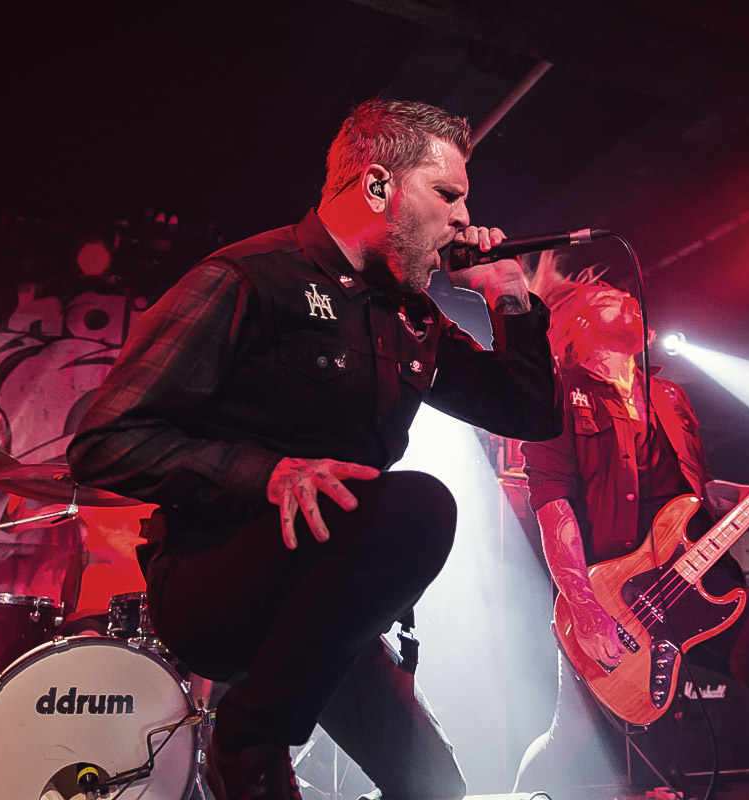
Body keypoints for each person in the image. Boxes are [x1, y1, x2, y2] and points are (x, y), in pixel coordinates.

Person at [67, 99, 563, 800]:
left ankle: (256, 744)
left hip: (326, 609)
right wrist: (268, 474)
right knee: (420, 505)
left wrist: (510, 298)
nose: (463, 219)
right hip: (216, 579)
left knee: (436, 791)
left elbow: (528, 414)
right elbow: (103, 442)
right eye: (447, 194)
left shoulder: (409, 316)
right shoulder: (248, 278)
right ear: (379, 186)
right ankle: (247, 736)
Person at [512, 256, 749, 800]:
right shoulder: (554, 394)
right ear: (580, 324)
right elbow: (551, 501)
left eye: (625, 295)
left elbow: (694, 494)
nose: (624, 297)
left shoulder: (669, 397)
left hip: (705, 583)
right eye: (606, 298)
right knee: (569, 740)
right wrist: (585, 608)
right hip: (618, 600)